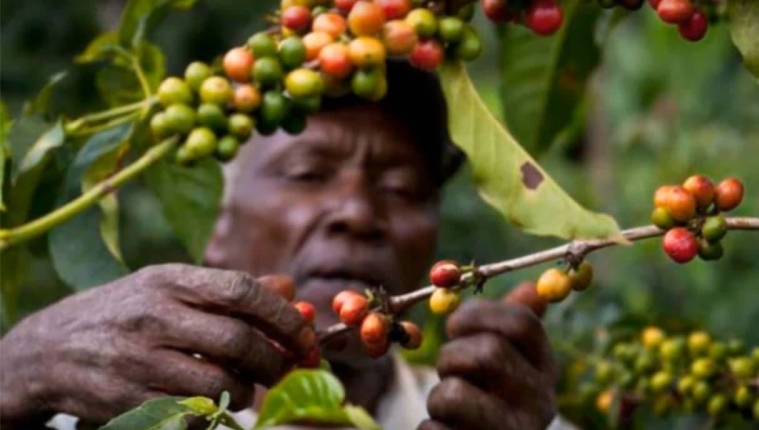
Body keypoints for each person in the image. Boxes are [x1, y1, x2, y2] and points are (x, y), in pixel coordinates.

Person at [0, 61, 570, 430]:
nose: (358, 212)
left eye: (399, 187)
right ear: (215, 228)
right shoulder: (100, 409)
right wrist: (16, 371)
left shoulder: (504, 418)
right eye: (307, 172)